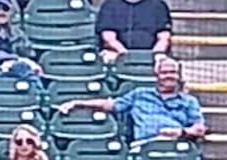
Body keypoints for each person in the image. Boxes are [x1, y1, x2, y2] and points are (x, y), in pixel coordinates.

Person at [57, 56, 206, 142]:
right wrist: (77, 103)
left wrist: (181, 132)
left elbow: (200, 129)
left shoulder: (189, 101)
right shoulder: (139, 94)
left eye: (173, 72)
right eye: (164, 72)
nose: (169, 76)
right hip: (145, 146)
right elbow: (109, 105)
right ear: (157, 75)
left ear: (179, 76)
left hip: (176, 145)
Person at [95, 0, 171, 60]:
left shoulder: (158, 6)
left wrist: (156, 54)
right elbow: (109, 38)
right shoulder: (109, 5)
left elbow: (163, 38)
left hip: (151, 56)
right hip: (118, 55)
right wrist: (125, 54)